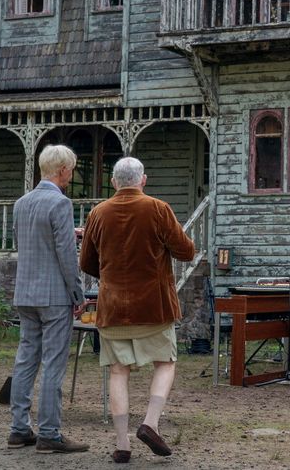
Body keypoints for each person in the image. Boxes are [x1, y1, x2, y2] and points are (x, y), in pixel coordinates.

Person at [79, 157, 195, 464]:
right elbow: (186, 251)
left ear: (114, 182)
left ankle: (122, 444)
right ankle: (150, 423)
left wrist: (111, 273)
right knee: (165, 362)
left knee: (118, 371)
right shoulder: (158, 208)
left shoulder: (97, 213)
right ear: (143, 180)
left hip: (113, 307)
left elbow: (86, 262)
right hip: (153, 306)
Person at [8, 145, 88, 453]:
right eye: (71, 170)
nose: (71, 175)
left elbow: (26, 243)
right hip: (53, 295)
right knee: (54, 362)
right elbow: (66, 255)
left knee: (25, 359)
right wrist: (77, 293)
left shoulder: (21, 203)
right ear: (63, 170)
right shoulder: (61, 203)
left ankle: (18, 428)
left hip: (25, 291)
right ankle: (50, 432)